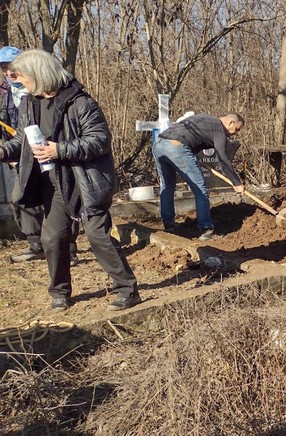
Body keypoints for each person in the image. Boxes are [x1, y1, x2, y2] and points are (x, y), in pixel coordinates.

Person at [0, 49, 140, 311]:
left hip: (85, 181)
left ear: (38, 74)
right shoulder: (29, 103)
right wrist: (4, 151)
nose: (19, 82)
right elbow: (23, 140)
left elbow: (99, 141)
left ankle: (127, 289)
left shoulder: (80, 103)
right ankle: (60, 292)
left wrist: (59, 150)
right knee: (52, 239)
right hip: (53, 184)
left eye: (23, 77)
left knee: (98, 237)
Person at [0, 45, 79, 265]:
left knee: (61, 198)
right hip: (22, 153)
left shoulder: (51, 91)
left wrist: (58, 149)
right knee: (21, 197)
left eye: (11, 68)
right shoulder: (6, 94)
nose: (9, 73)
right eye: (4, 69)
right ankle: (36, 244)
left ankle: (68, 248)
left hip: (54, 153)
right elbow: (17, 132)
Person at [152, 112, 245, 240]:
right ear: (231, 123)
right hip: (176, 147)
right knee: (200, 188)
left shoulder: (203, 118)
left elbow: (192, 136)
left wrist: (190, 153)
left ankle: (169, 225)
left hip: (159, 144)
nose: (236, 133)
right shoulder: (218, 129)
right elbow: (222, 158)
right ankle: (206, 228)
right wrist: (236, 182)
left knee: (167, 186)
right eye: (237, 129)